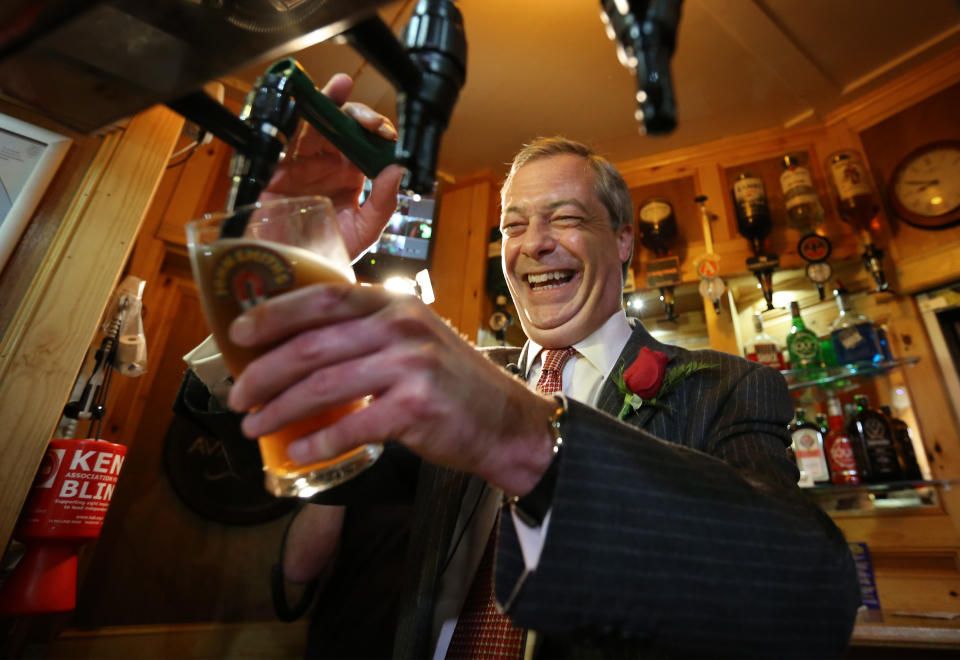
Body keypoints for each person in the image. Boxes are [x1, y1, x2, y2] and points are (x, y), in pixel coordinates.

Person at [199, 73, 860, 658]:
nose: (535, 244)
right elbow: (299, 532)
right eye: (513, 226)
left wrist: (524, 439)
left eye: (565, 218)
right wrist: (297, 252)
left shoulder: (729, 389)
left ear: (624, 240)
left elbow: (800, 600)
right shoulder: (440, 378)